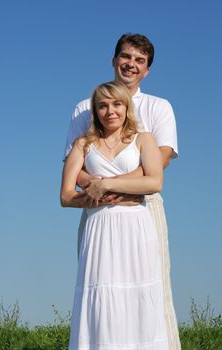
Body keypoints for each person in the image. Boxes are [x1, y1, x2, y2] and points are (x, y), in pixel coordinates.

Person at [62, 33, 181, 349]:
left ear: (147, 70)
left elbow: (162, 158)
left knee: (151, 289)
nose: (131, 64)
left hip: (144, 205)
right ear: (115, 60)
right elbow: (76, 165)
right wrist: (98, 189)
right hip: (98, 207)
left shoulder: (158, 107)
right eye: (126, 57)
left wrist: (119, 185)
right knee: (100, 288)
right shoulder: (83, 108)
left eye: (139, 61)